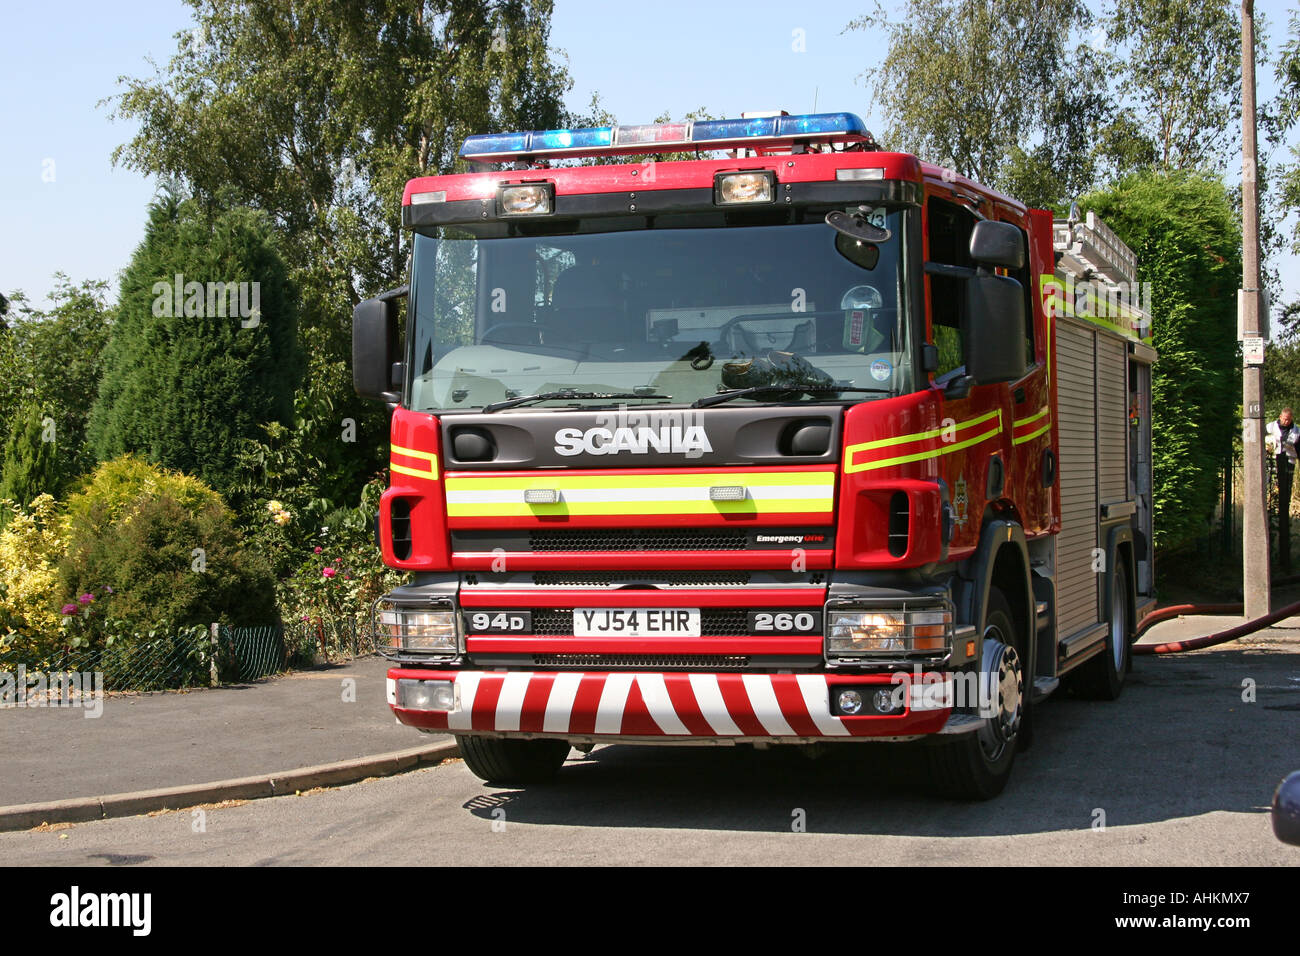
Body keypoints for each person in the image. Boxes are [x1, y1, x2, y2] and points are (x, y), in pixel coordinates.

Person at [1266, 408, 1300, 570]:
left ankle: (1285, 556)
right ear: (1280, 417)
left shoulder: (1297, 431)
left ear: (1291, 419)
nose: (1286, 421)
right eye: (1284, 419)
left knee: (1284, 498)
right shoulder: (1271, 426)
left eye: (1289, 419)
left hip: (1289, 464)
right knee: (1273, 491)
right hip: (1273, 463)